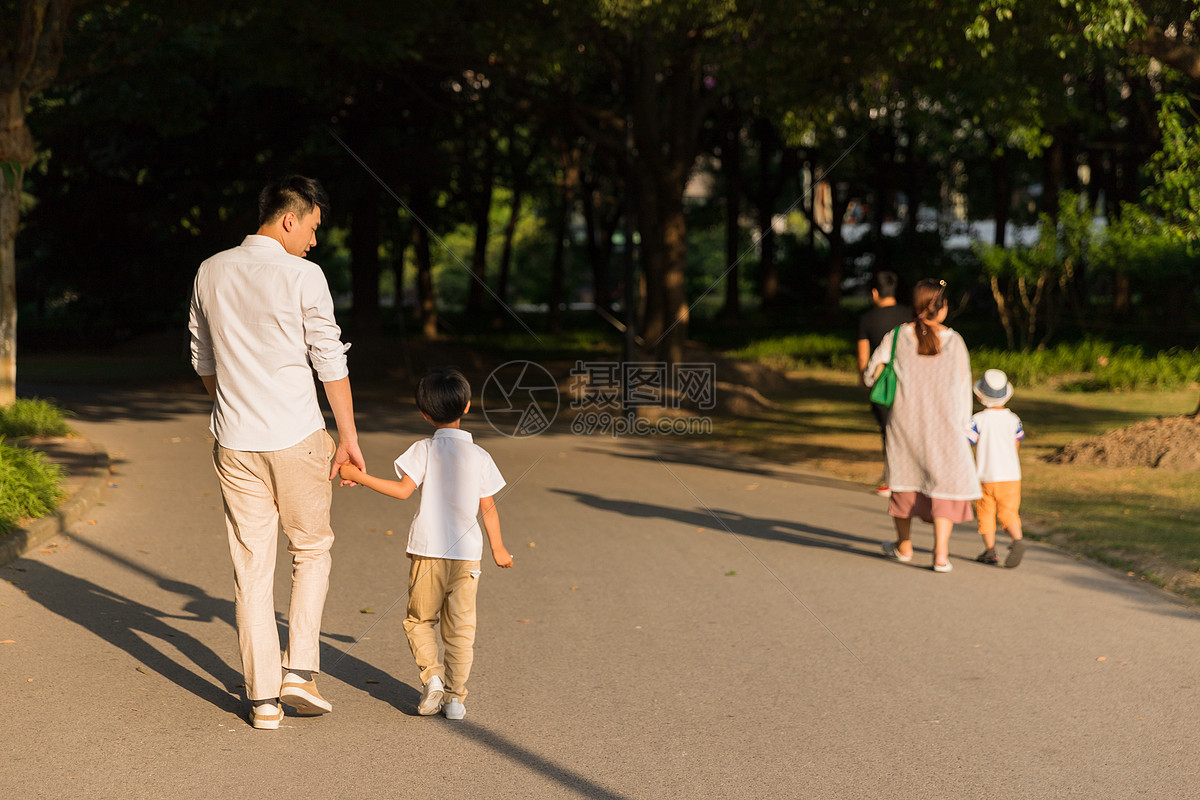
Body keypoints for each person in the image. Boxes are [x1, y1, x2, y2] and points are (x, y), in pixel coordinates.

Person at [188, 175, 364, 730]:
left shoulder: (210, 270)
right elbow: (329, 359)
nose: (313, 241)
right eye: (312, 227)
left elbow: (201, 356)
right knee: (310, 550)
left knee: (250, 567)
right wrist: (349, 438)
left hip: (235, 441)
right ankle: (300, 672)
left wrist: (230, 406)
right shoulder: (304, 275)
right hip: (296, 436)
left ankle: (263, 699)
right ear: (290, 218)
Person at [339, 367, 513, 721]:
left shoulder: (424, 449)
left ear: (424, 413)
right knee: (461, 630)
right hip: (468, 557)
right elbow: (489, 509)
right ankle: (455, 700)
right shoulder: (480, 456)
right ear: (466, 407)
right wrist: (499, 548)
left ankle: (432, 677)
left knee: (419, 621)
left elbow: (403, 491)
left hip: (428, 552)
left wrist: (359, 476)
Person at [865, 279, 981, 572]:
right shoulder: (954, 342)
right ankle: (940, 555)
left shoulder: (897, 336)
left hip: (906, 424)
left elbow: (870, 374)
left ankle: (904, 546)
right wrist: (963, 428)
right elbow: (963, 388)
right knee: (943, 485)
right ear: (941, 308)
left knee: (904, 481)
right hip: (945, 426)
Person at [857, 271, 913, 497]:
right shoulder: (909, 314)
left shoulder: (867, 319)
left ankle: (891, 480)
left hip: (883, 384)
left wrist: (864, 380)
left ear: (874, 292)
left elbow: (863, 358)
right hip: (909, 381)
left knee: (887, 431)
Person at [967, 369, 1027, 568]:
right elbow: (1016, 443)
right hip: (1011, 476)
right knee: (1009, 512)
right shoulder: (1013, 419)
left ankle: (990, 551)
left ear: (979, 395)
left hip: (985, 475)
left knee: (986, 514)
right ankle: (1017, 539)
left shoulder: (978, 420)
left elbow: (968, 442)